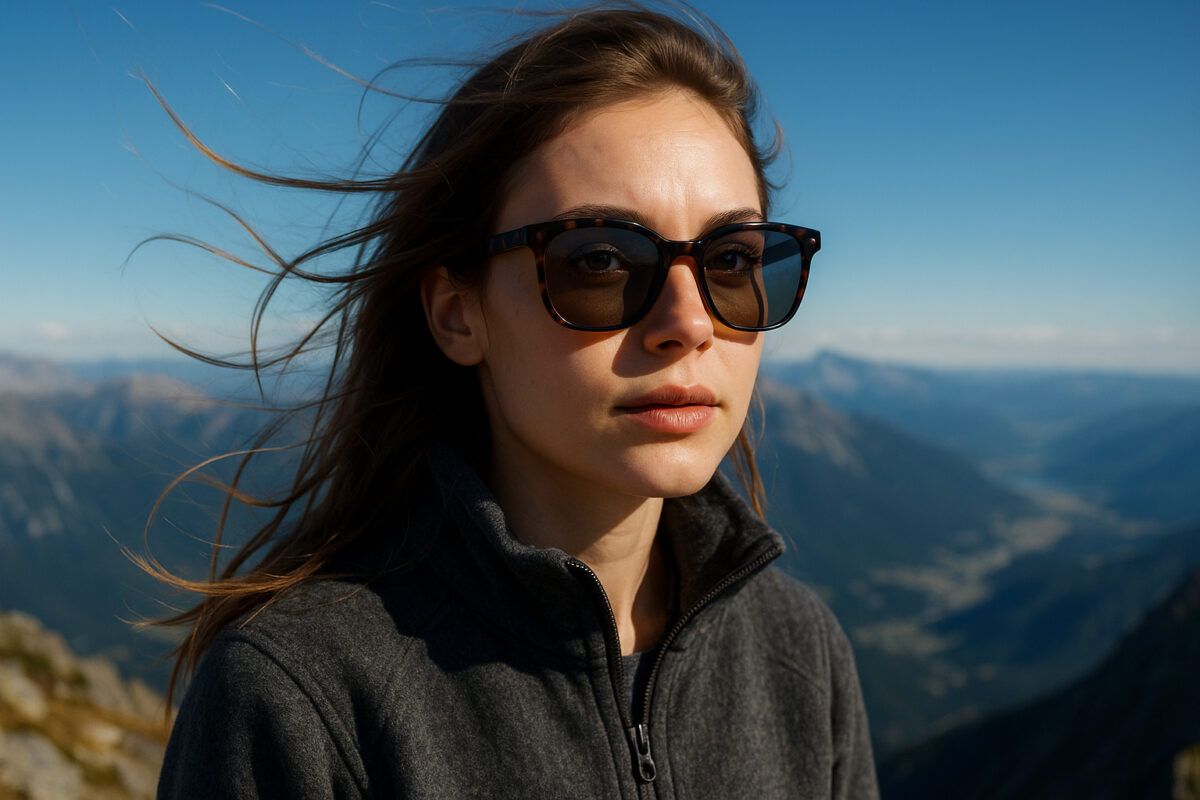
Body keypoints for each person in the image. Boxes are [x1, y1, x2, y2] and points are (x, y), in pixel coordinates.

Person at [149, 5, 878, 798]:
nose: (690, 322)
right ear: (458, 314)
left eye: (733, 259)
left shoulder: (801, 653)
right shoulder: (298, 698)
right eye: (599, 259)